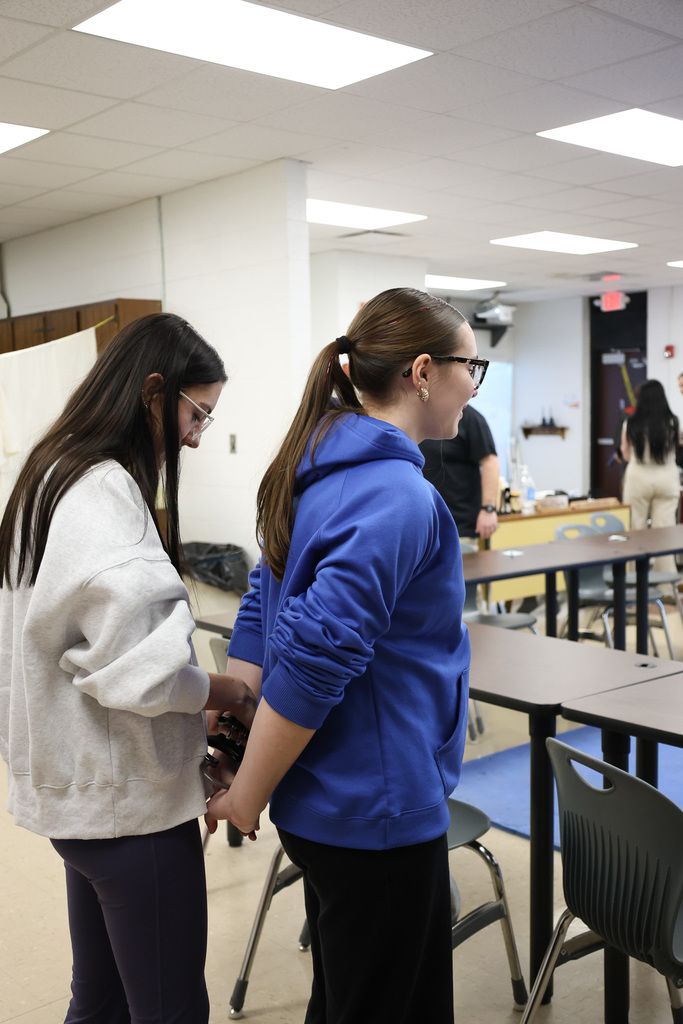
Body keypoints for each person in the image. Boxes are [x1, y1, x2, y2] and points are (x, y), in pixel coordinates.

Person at [207, 287, 482, 1024]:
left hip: (325, 799)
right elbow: (313, 657)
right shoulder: (397, 494)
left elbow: (264, 605)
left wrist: (237, 737)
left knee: (348, 999)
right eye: (470, 366)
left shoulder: (313, 463)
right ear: (422, 372)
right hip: (376, 805)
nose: (473, 386)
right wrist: (245, 794)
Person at [0, 313, 257, 1024]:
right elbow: (142, 675)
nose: (199, 434)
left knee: (102, 1003)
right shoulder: (103, 495)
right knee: (170, 1011)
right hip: (127, 811)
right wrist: (226, 689)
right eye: (197, 411)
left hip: (79, 801)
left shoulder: (50, 471)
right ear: (152, 391)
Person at [621, 378, 680, 573]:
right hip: (667, 477)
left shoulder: (630, 423)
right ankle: (665, 585)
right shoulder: (673, 422)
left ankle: (632, 580)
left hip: (638, 476)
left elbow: (626, 453)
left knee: (635, 529)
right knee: (664, 532)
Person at [419, 404, 499, 543]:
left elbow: (490, 462)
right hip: (423, 527)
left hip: (459, 526)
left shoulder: (470, 417)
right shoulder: (419, 415)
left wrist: (488, 509)